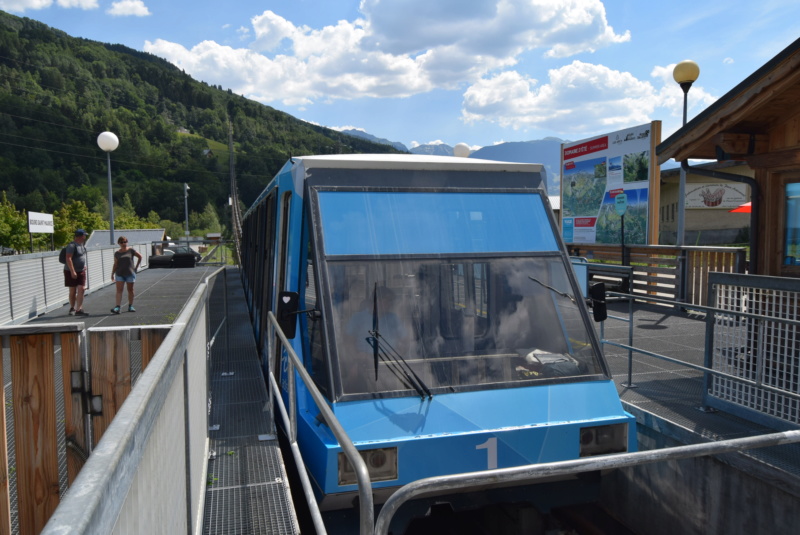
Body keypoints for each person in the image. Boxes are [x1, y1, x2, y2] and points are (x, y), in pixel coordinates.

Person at [110, 236, 142, 314]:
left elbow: (140, 257)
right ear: (119, 243)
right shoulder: (117, 253)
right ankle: (117, 307)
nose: (124, 243)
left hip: (130, 273)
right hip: (120, 273)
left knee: (130, 289)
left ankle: (130, 305)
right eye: (122, 242)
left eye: (125, 242)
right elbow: (115, 264)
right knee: (119, 290)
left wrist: (136, 267)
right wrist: (112, 273)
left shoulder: (131, 250)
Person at [64, 228, 89, 316]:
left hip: (81, 270)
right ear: (81, 236)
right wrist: (72, 271)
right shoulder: (71, 245)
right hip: (71, 271)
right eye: (84, 235)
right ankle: (72, 307)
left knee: (81, 289)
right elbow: (68, 258)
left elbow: (81, 257)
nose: (85, 236)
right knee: (73, 290)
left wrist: (83, 265)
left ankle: (79, 308)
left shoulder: (82, 245)